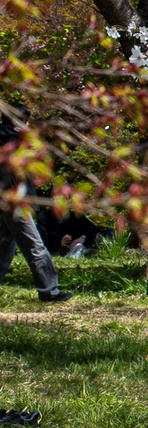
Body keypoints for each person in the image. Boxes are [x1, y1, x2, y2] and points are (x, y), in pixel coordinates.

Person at [0, 117, 64, 303]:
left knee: (4, 250)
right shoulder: (18, 142)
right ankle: (49, 291)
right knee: (35, 246)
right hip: (16, 204)